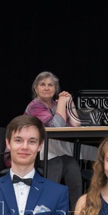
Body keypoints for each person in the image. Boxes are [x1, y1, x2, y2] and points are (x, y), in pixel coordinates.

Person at [24, 71, 83, 203]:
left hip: (53, 152)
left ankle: (77, 211)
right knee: (56, 163)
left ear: (55, 89)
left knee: (71, 164)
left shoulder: (56, 105)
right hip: (34, 152)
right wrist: (62, 102)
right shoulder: (35, 106)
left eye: (50, 85)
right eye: (42, 84)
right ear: (36, 88)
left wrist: (70, 103)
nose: (46, 88)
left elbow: (76, 124)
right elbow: (57, 125)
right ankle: (47, 209)